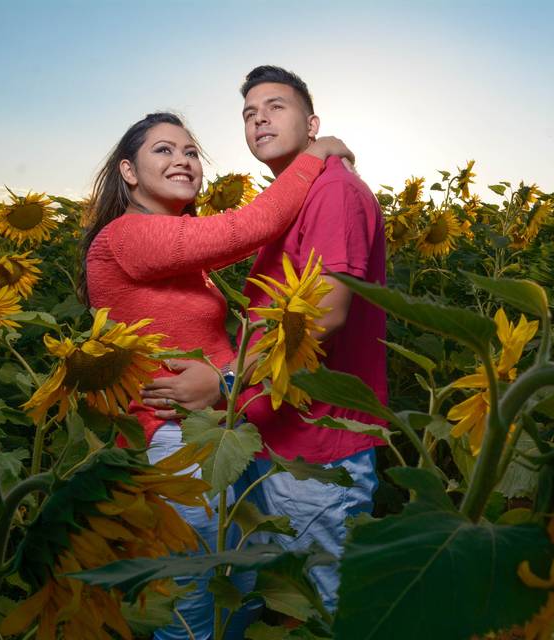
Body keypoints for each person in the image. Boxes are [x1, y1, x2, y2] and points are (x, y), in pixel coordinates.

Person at [82, 111, 353, 640]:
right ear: (128, 172)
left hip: (217, 433)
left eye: (189, 152)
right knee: (195, 608)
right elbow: (248, 228)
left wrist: (229, 380)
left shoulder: (175, 246)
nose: (182, 160)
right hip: (174, 443)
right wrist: (312, 157)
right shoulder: (127, 236)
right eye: (163, 150)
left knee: (240, 591)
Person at [141, 66, 387, 612]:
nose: (259, 119)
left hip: (321, 448)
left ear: (313, 122)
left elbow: (324, 310)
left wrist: (225, 379)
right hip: (281, 436)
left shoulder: (333, 192)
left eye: (275, 106)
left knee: (327, 608)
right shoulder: (296, 196)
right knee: (281, 599)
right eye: (249, 114)